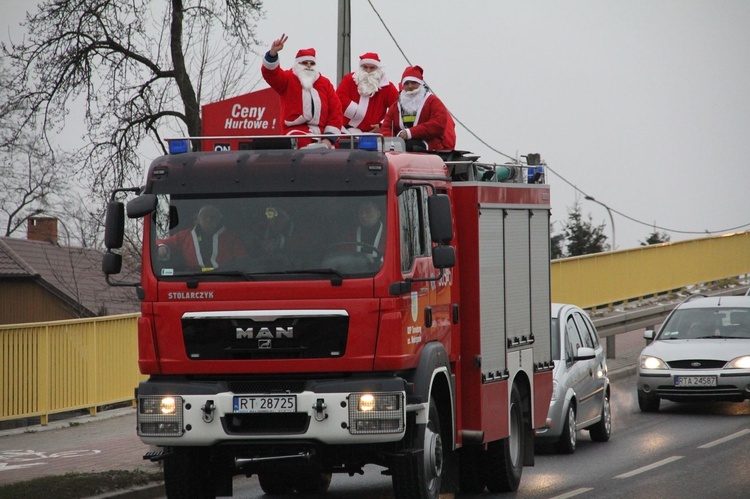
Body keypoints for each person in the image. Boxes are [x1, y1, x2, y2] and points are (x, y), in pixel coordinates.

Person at [261, 33, 343, 148]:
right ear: (298, 64)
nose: (308, 66)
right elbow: (271, 74)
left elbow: (336, 112)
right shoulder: (288, 79)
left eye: (312, 63)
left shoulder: (325, 83)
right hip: (295, 132)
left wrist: (328, 140)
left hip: (323, 135)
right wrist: (272, 53)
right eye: (304, 63)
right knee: (300, 144)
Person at [381, 65, 456, 151]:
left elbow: (437, 125)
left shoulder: (433, 102)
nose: (410, 86)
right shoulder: (396, 106)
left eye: (413, 83)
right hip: (401, 145)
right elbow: (386, 127)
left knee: (408, 146)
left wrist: (410, 133)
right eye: (406, 83)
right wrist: (389, 142)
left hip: (428, 146)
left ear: (420, 84)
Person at [157, 205, 247, 271]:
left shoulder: (230, 237)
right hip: (193, 279)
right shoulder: (185, 235)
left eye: (213, 217)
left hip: (224, 279)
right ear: (198, 219)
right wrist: (162, 246)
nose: (209, 219)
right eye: (205, 216)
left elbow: (241, 258)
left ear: (219, 219)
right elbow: (161, 242)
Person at [336, 52, 399, 134]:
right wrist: (358, 113)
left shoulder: (387, 86)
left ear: (377, 69)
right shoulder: (349, 80)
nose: (368, 71)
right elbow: (338, 98)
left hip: (375, 134)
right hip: (347, 131)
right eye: (365, 67)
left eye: (372, 68)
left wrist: (382, 125)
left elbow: (397, 108)